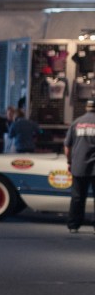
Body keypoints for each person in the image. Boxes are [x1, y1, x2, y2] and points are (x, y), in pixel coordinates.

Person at [65, 99, 95, 233]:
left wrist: (69, 162)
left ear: (86, 108)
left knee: (77, 197)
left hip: (79, 165)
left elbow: (67, 146)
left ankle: (73, 225)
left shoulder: (76, 122)